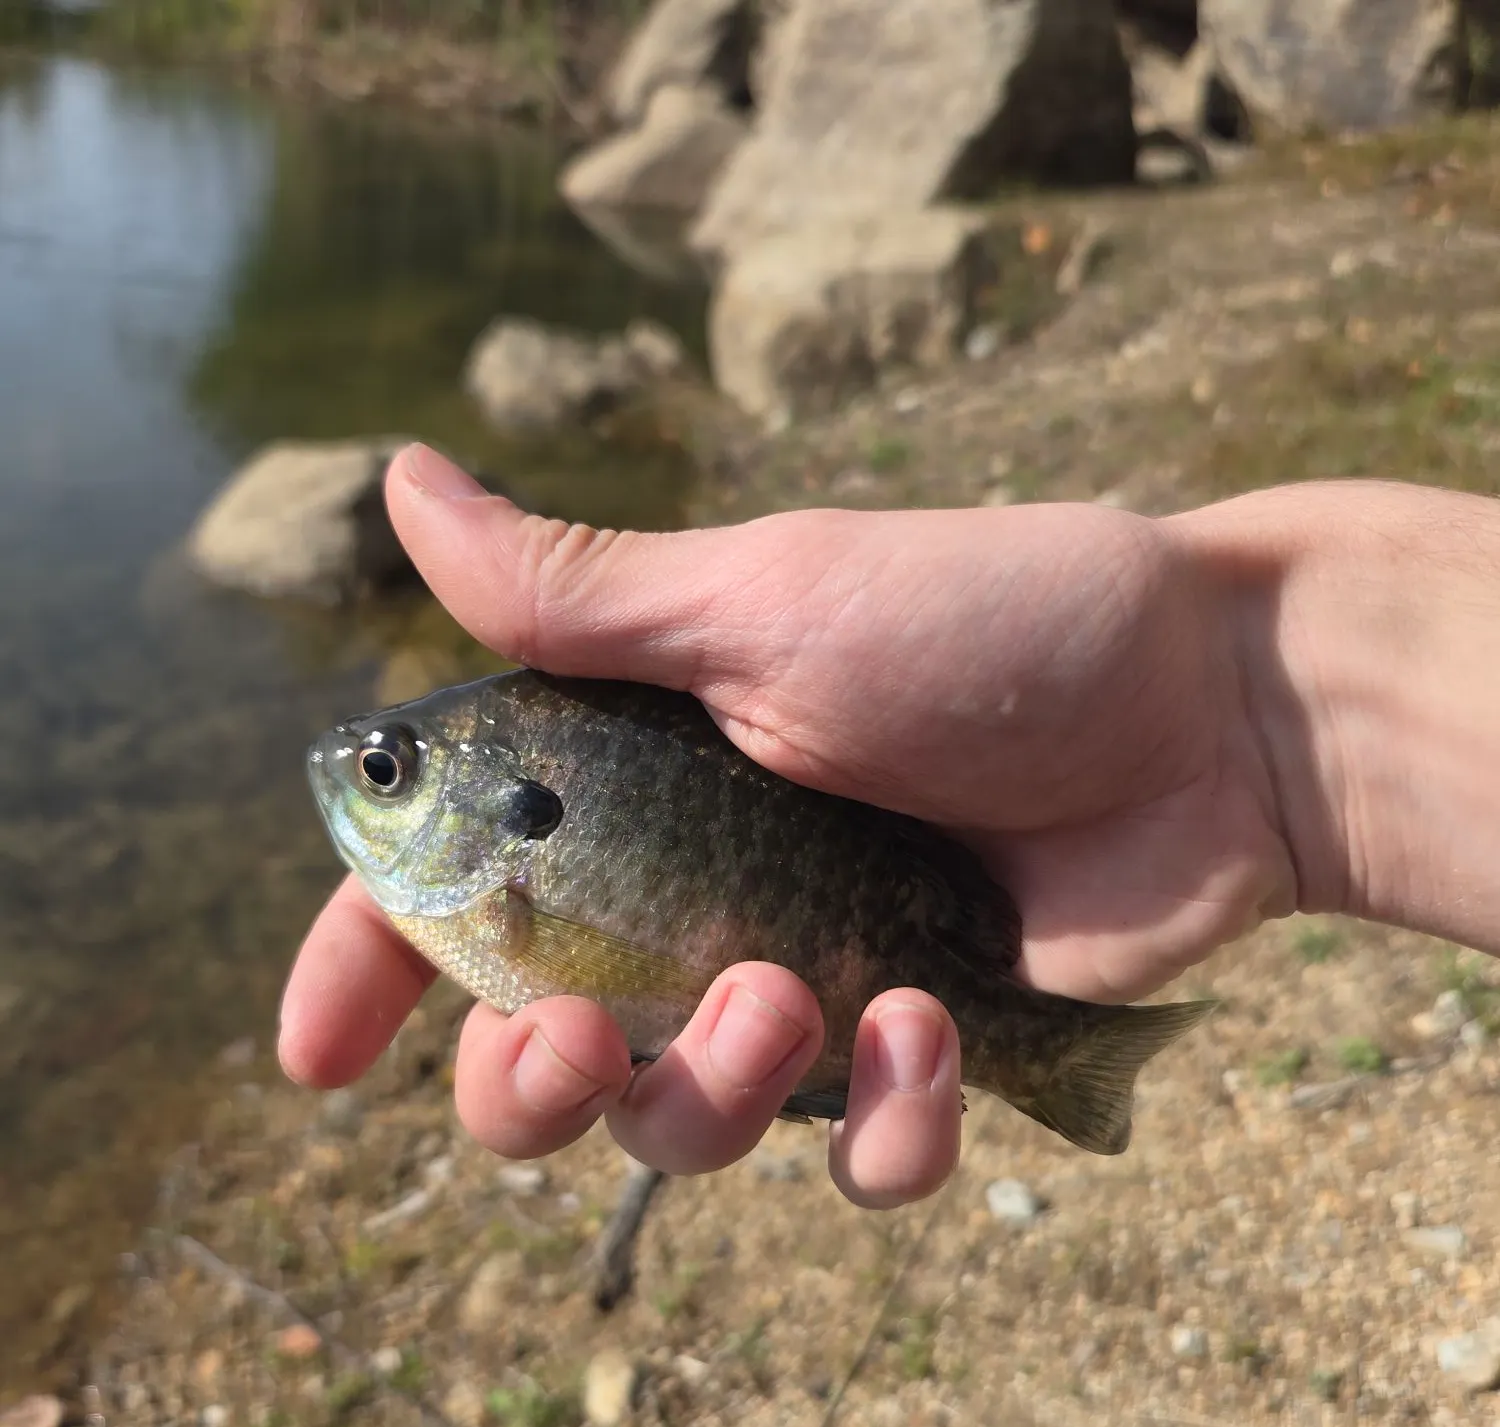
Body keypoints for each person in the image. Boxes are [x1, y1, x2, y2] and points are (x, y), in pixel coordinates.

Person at [278, 443, 1500, 1209]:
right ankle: (1039, 1050)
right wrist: (1257, 713)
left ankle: (1043, 1050)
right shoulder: (499, 859)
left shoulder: (504, 877)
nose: (358, 773)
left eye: (390, 771)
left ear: (493, 817)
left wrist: (1243, 706)